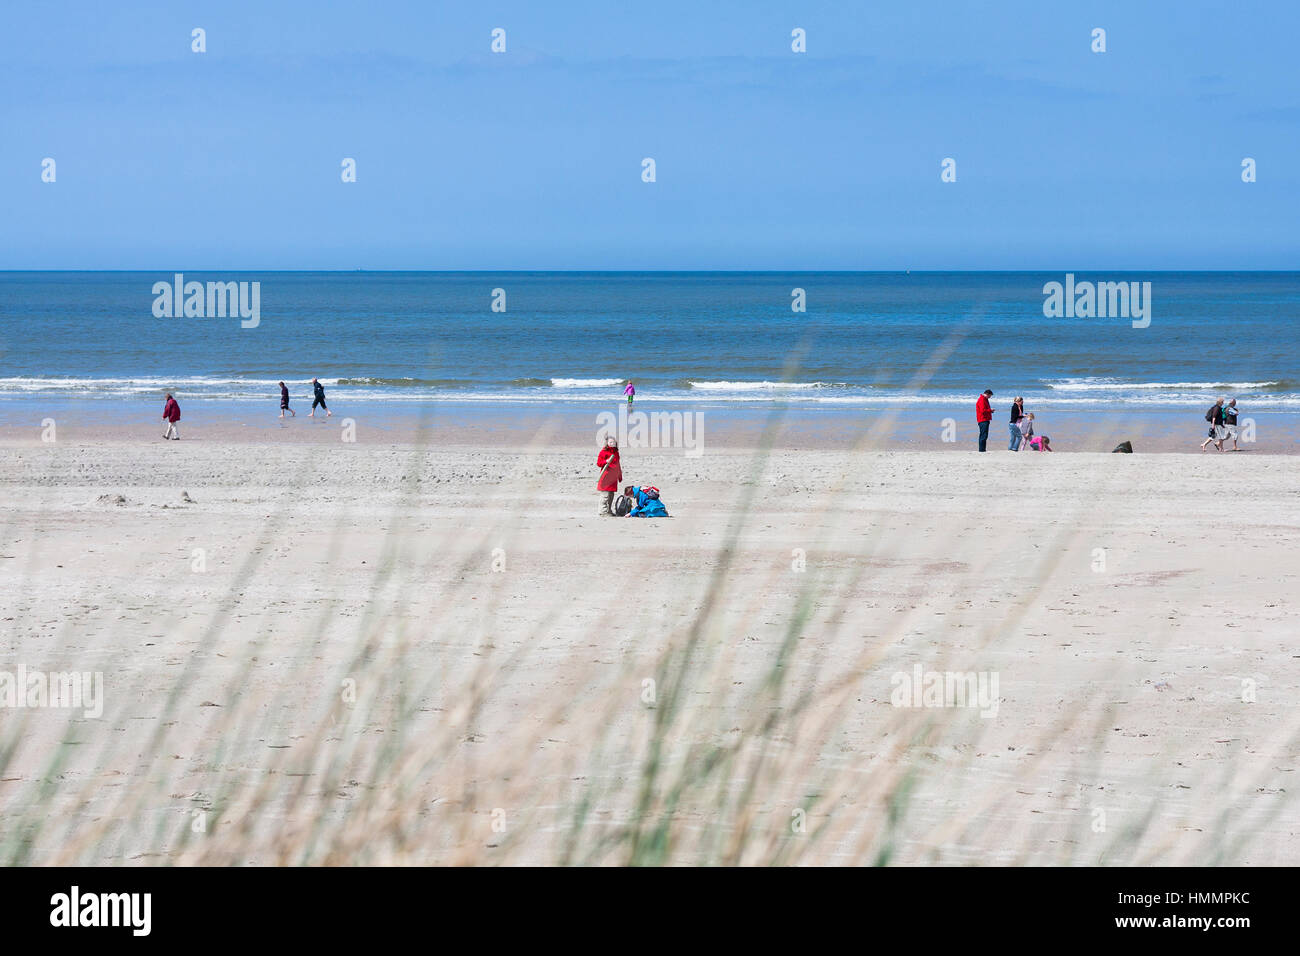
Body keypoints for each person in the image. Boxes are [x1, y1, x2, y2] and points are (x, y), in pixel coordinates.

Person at [596, 436, 622, 516]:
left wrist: (619, 476)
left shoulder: (616, 453)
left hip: (613, 478)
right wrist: (605, 461)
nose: (612, 443)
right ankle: (602, 511)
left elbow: (618, 465)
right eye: (610, 442)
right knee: (605, 495)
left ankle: (608, 510)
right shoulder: (603, 452)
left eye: (613, 442)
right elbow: (599, 463)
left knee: (611, 495)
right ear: (607, 443)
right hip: (605, 477)